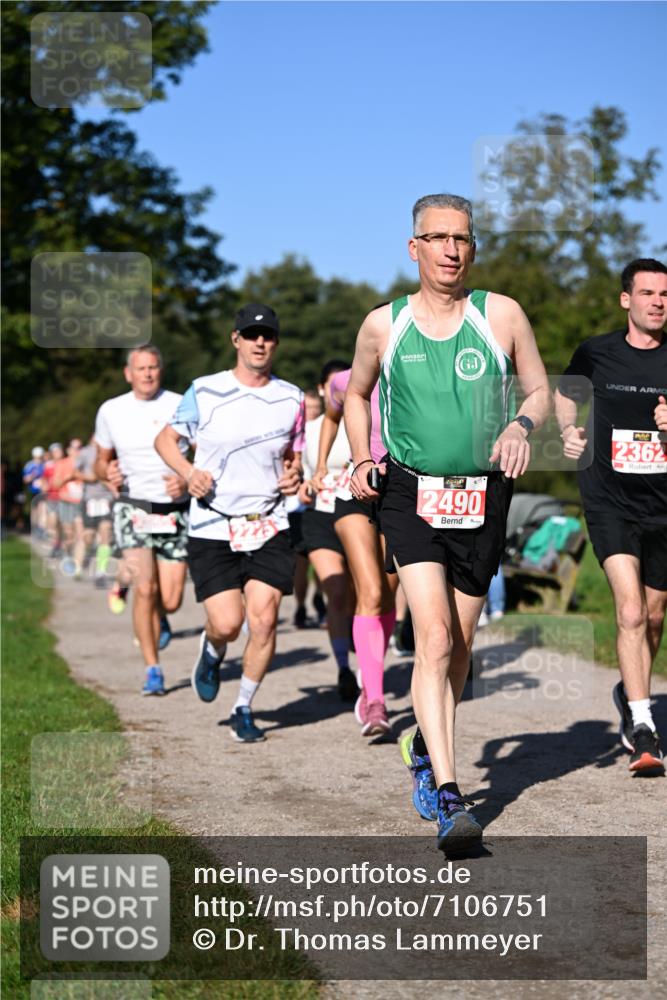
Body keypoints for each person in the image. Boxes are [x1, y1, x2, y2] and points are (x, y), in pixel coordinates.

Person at [345, 193, 550, 850]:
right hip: (409, 495)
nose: (450, 250)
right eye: (436, 238)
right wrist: (358, 457)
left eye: (460, 238)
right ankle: (450, 793)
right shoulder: (384, 325)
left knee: (457, 648)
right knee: (431, 639)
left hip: (482, 498)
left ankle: (419, 742)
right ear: (414, 248)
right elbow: (354, 393)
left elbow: (540, 389)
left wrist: (520, 423)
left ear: (472, 247)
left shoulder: (501, 315)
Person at [155, 303, 304, 742]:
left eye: (269, 335)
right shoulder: (204, 391)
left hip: (269, 521)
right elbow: (165, 440)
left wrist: (293, 474)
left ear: (276, 342)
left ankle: (243, 707)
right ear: (235, 339)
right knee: (227, 623)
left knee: (264, 621)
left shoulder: (292, 398)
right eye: (252, 334)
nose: (261, 342)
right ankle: (212, 647)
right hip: (213, 525)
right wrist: (188, 473)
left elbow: (293, 457)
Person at [555, 258, 667, 773]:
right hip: (608, 497)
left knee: (654, 613)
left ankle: (631, 690)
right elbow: (565, 393)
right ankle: (644, 725)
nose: (658, 302)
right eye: (647, 293)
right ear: (627, 300)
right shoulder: (596, 352)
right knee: (629, 610)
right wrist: (568, 431)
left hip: (663, 504)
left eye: (664, 295)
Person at [94, 345, 190, 695]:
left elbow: (201, 453)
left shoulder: (180, 403)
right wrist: (107, 474)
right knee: (145, 587)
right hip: (133, 507)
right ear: (128, 373)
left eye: (153, 367)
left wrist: (186, 477)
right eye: (141, 368)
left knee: (173, 597)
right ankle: (153, 669)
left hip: (174, 507)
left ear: (160, 371)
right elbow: (99, 462)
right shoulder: (111, 410)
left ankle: (161, 617)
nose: (147, 374)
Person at [313, 360, 398, 737]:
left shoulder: (417, 374)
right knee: (371, 590)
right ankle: (374, 700)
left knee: (391, 595)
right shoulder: (344, 381)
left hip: (402, 495)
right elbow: (332, 417)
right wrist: (319, 466)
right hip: (356, 492)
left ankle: (371, 666)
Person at [299, 360, 357, 700]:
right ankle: (343, 668)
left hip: (359, 513)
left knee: (360, 595)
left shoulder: (363, 423)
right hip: (320, 515)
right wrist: (304, 485)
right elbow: (298, 471)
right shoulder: (308, 430)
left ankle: (359, 645)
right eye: (332, 385)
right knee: (334, 592)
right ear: (323, 389)